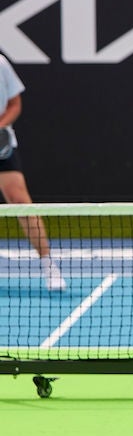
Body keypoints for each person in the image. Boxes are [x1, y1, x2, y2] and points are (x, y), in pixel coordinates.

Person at [0, 54, 66, 291]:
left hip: (1, 146)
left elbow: (14, 104)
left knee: (21, 204)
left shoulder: (0, 64)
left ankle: (49, 266)